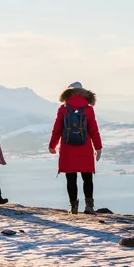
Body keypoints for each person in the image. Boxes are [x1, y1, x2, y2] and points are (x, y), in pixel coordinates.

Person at [49, 82, 103, 214]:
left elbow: (57, 129)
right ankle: (89, 206)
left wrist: (52, 145)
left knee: (71, 178)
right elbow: (94, 130)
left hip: (68, 148)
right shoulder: (88, 109)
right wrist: (98, 147)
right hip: (85, 148)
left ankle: (73, 207)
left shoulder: (63, 109)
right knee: (87, 178)